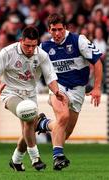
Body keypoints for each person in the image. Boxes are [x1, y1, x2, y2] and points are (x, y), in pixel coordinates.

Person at [0, 25, 65, 172]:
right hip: (10, 92)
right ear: (21, 41)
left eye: (33, 45)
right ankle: (35, 158)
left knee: (27, 128)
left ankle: (16, 160)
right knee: (29, 116)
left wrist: (57, 91)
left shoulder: (42, 55)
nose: (30, 49)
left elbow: (50, 78)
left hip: (30, 94)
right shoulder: (7, 52)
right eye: (27, 45)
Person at [37, 13, 103, 170]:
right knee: (63, 116)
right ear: (49, 30)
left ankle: (43, 123)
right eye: (54, 30)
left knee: (65, 132)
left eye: (60, 29)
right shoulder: (44, 47)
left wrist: (97, 88)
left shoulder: (79, 40)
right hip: (58, 88)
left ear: (65, 28)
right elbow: (32, 68)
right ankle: (58, 157)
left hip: (78, 90)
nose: (57, 33)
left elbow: (98, 62)